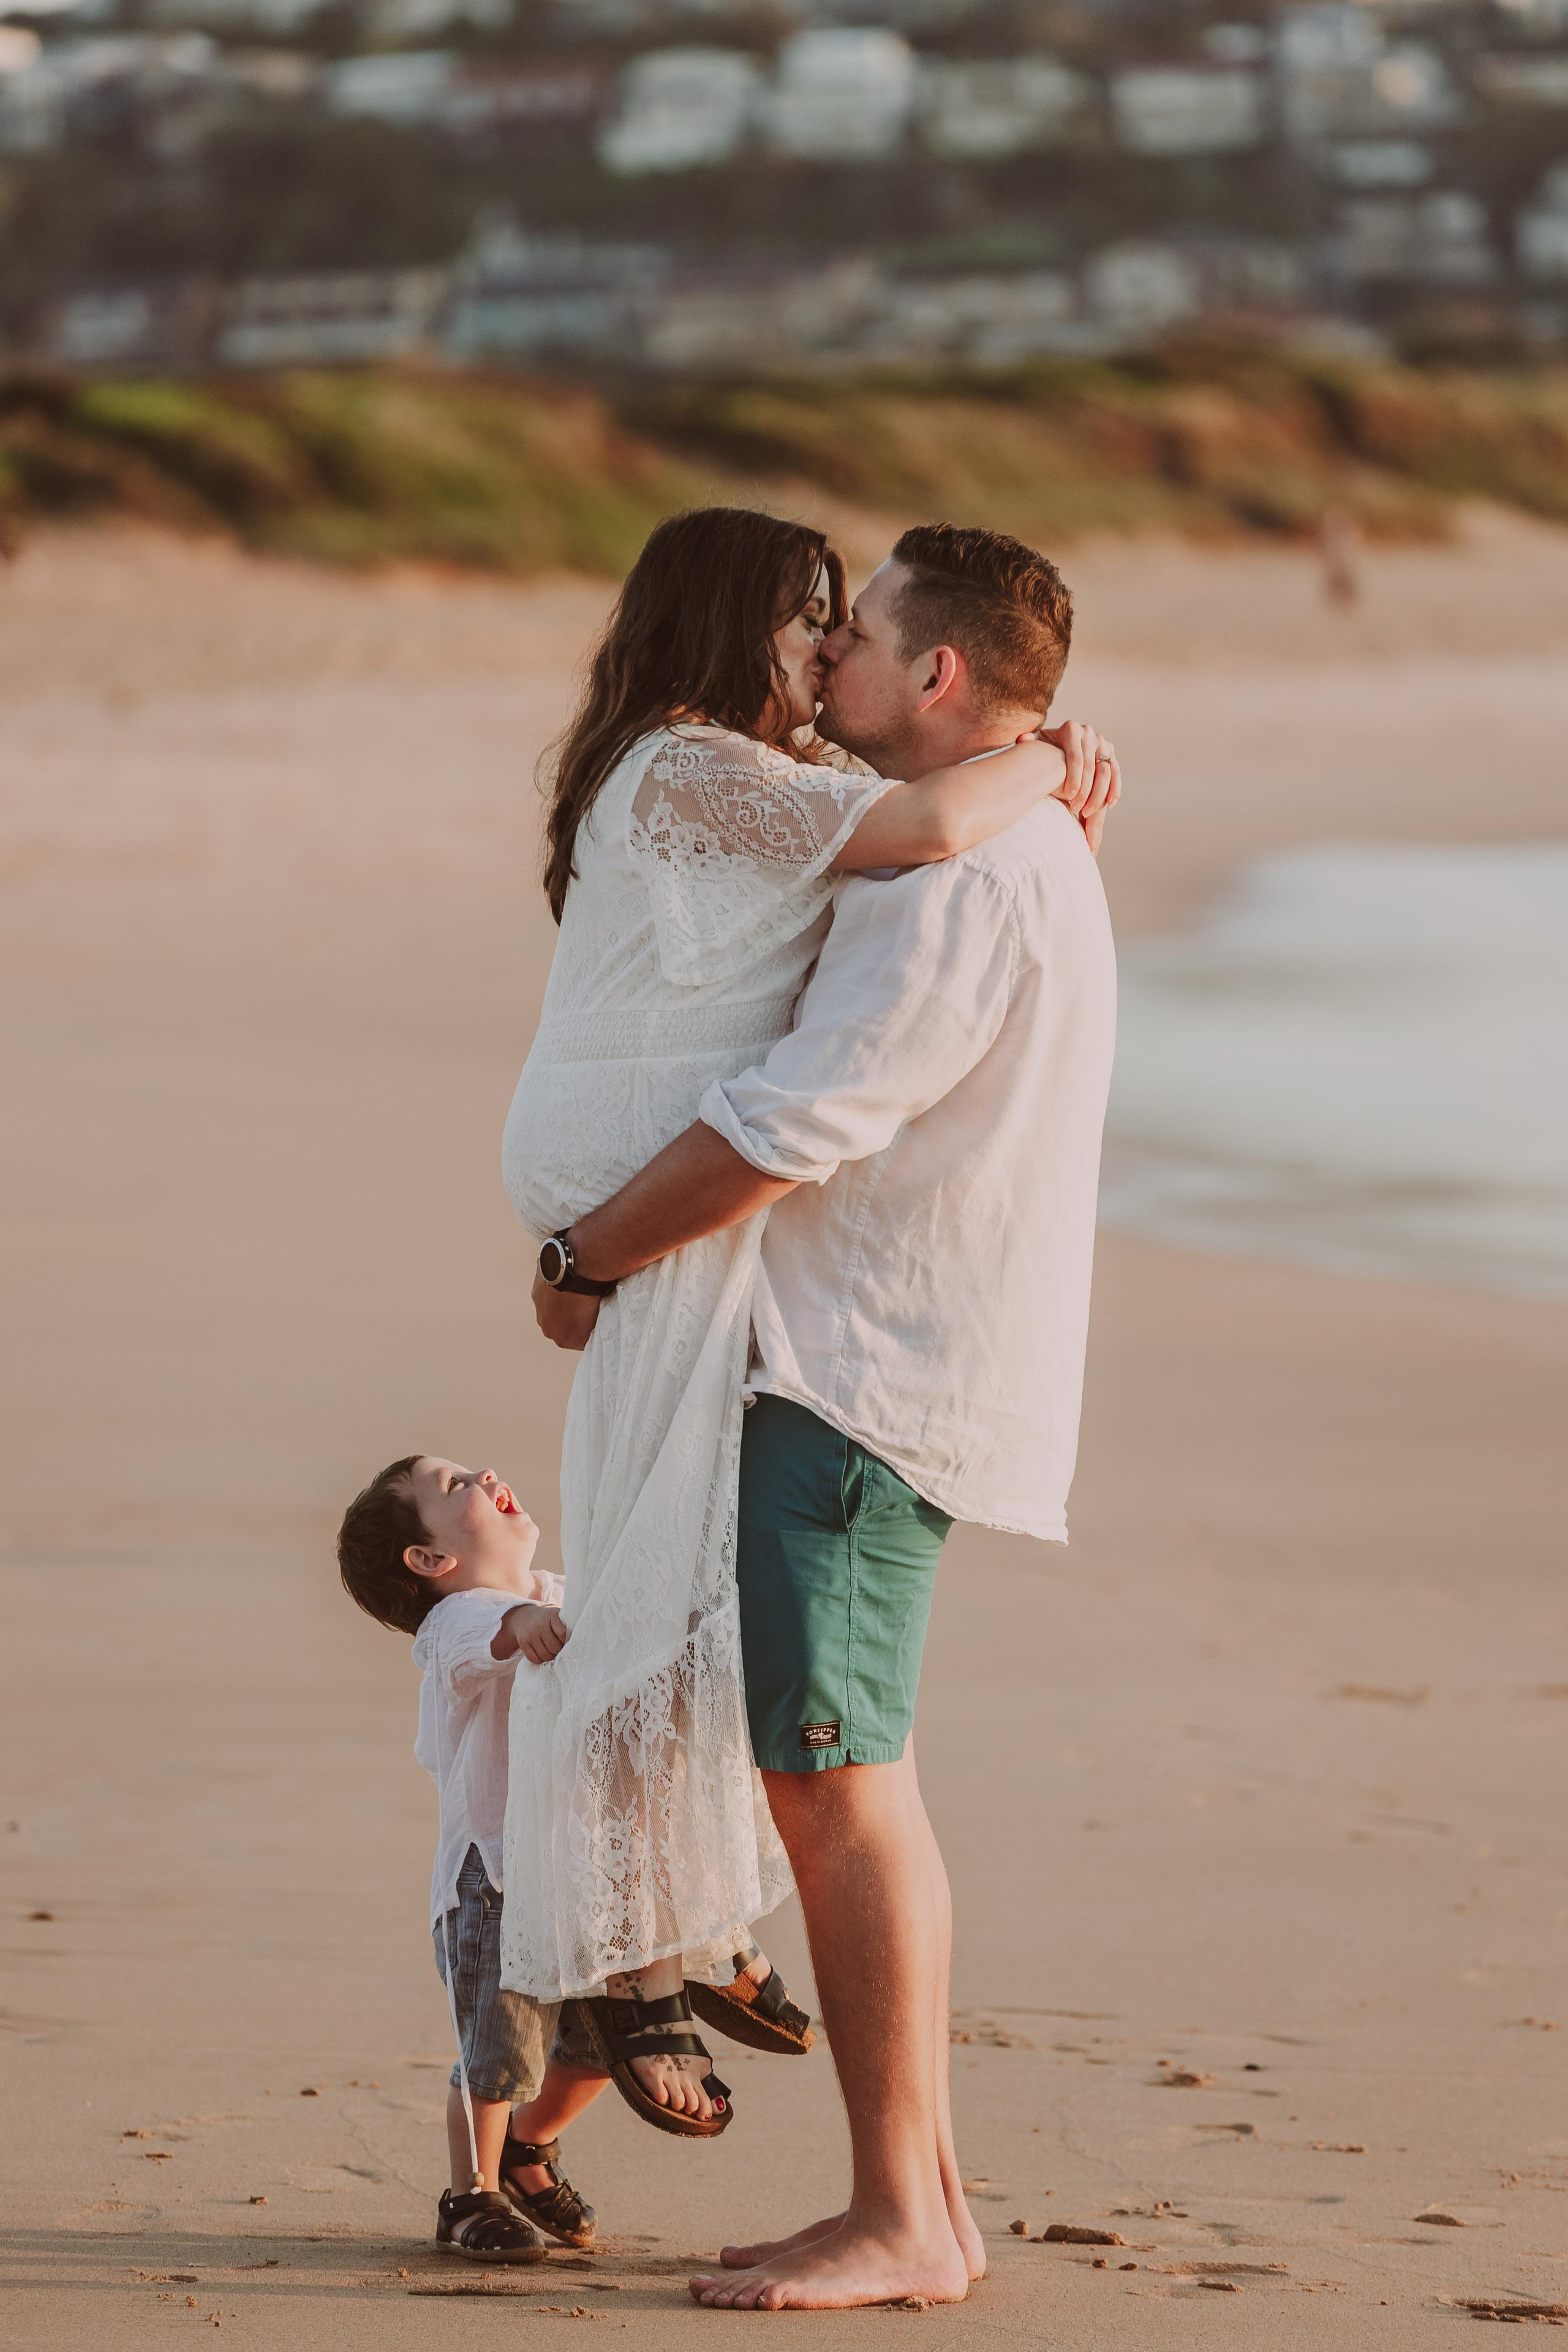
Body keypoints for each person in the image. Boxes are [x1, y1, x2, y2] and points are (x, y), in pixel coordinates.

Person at [532, 522, 1120, 2308]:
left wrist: (589, 1249)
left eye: (856, 635)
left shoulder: (964, 879)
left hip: (863, 1392)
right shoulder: (972, 841)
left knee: (841, 1790)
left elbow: (794, 1123)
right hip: (840, 1371)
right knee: (836, 1778)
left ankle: (907, 2216)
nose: (830, 660)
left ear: (936, 676)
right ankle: (915, 2193)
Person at [336, 1453, 610, 2260]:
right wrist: (521, 1627)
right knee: (498, 2051)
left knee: (600, 2047)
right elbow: (490, 1639)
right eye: (454, 1486)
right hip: (490, 1876)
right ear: (430, 1562)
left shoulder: (556, 1591)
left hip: (576, 1873)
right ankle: (471, 2195)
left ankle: (529, 2148)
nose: (485, 1471)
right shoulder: (457, 1620)